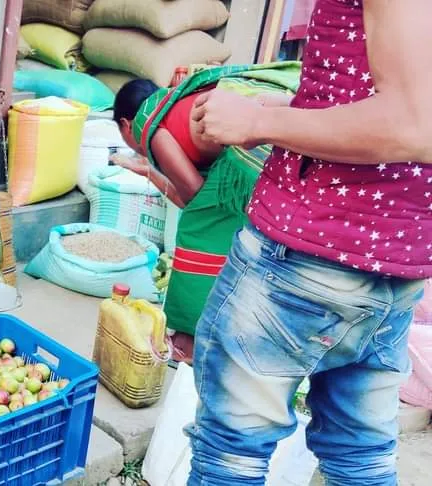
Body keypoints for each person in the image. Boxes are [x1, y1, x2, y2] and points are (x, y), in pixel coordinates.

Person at [185, 1, 432, 484]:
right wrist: (294, 109)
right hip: (394, 268)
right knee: (360, 455)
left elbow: (409, 125)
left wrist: (258, 125)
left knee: (231, 456)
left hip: (303, 255)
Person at [111, 63, 300, 363]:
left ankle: (189, 339)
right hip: (279, 147)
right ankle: (232, 330)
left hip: (253, 153)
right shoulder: (177, 101)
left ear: (125, 125)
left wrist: (151, 172)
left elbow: (195, 198)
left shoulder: (151, 126)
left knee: (198, 230)